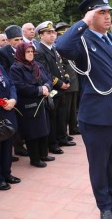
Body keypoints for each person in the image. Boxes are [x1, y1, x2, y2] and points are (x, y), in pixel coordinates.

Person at [55, 0, 112, 219]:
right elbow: (62, 47)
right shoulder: (82, 41)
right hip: (96, 115)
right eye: (101, 12)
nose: (107, 17)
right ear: (91, 15)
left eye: (108, 12)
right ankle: (104, 205)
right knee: (99, 163)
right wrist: (84, 22)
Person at [10, 43, 54, 168]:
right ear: (21, 53)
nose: (30, 54)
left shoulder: (37, 65)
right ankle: (35, 159)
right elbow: (20, 86)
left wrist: (46, 86)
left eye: (31, 51)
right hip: (28, 105)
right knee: (32, 133)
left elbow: (48, 78)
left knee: (44, 129)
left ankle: (43, 154)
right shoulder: (16, 68)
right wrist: (39, 90)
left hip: (42, 103)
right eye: (27, 51)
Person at [35, 21, 75, 155]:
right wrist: (60, 83)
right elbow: (45, 72)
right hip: (52, 89)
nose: (52, 35)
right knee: (53, 116)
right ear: (41, 35)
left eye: (53, 33)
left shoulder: (54, 48)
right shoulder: (39, 51)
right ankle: (52, 143)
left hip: (62, 88)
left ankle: (62, 137)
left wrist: (67, 79)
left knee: (62, 114)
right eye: (48, 33)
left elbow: (62, 67)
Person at [0, 25, 29, 158]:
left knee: (22, 121)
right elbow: (6, 75)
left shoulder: (23, 50)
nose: (19, 42)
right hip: (10, 93)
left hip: (21, 91)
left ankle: (20, 144)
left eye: (20, 39)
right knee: (11, 123)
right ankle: (17, 146)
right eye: (16, 40)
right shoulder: (3, 52)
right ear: (9, 40)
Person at [55, 22, 81, 137]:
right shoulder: (59, 45)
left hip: (74, 79)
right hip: (67, 80)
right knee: (65, 109)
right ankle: (64, 132)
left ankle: (73, 127)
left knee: (73, 107)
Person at [0, 63, 20, 190]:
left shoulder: (0, 66)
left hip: (8, 109)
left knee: (7, 144)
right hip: (1, 109)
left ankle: (7, 173)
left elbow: (10, 83)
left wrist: (13, 99)